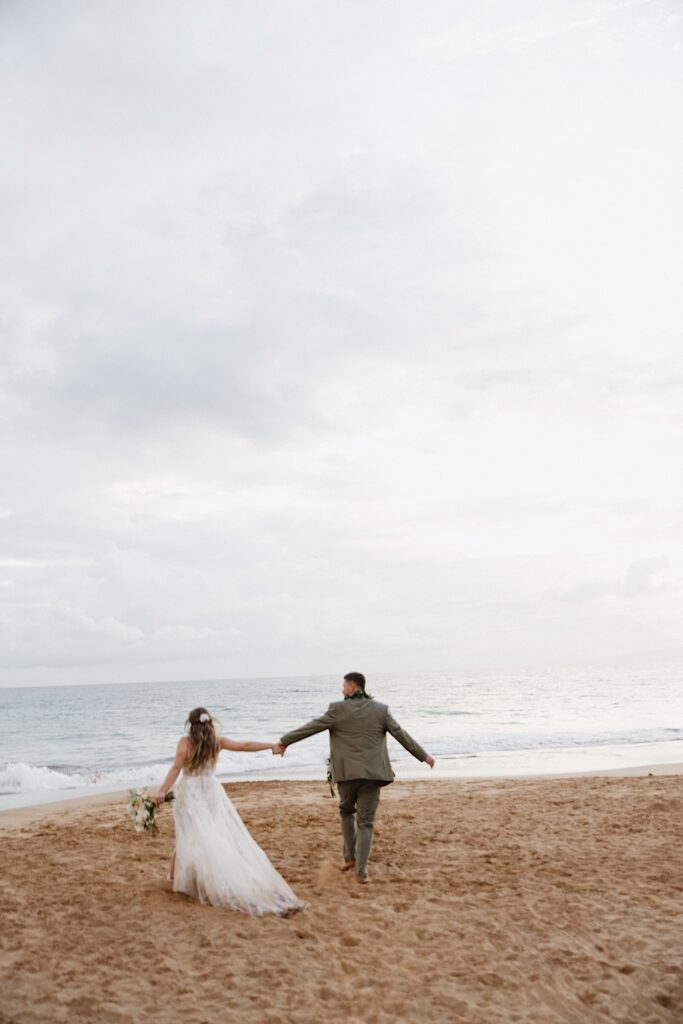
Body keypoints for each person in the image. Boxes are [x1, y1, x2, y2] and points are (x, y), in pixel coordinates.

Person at [276, 672, 434, 883]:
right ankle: (361, 871)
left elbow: (311, 727)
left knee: (346, 811)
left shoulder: (337, 709)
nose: (342, 690)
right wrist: (424, 756)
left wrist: (284, 741)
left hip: (346, 774)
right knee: (366, 823)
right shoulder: (381, 710)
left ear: (352, 686)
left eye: (343, 686)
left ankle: (349, 858)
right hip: (373, 774)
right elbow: (401, 734)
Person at [154, 707, 305, 916]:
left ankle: (174, 878)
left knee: (187, 834)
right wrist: (271, 745)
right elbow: (245, 745)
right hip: (211, 792)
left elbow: (175, 769)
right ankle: (175, 877)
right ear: (209, 723)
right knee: (210, 834)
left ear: (190, 724)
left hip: (190, 793)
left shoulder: (185, 743)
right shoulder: (217, 741)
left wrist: (162, 790)